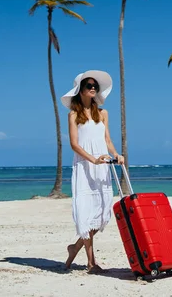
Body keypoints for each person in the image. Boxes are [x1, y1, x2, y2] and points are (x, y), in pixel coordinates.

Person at [60, 70, 125, 273]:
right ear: (80, 90)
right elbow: (74, 144)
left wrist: (116, 153)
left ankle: (75, 248)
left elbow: (107, 140)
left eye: (95, 85)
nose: (93, 88)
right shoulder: (73, 115)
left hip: (102, 167)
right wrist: (92, 160)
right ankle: (91, 263)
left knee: (102, 212)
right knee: (87, 213)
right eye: (89, 85)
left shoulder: (103, 113)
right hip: (84, 166)